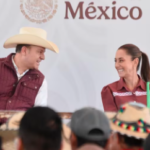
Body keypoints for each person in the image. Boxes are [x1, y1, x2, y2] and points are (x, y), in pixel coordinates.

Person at [0, 27, 59, 110]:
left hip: (22, 123)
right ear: (24, 51)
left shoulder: (40, 80)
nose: (43, 57)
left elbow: (39, 114)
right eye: (39, 52)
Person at [101, 44, 150, 111]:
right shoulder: (109, 90)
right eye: (115, 61)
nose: (116, 65)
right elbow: (112, 120)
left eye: (121, 60)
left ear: (135, 61)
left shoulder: (148, 89)